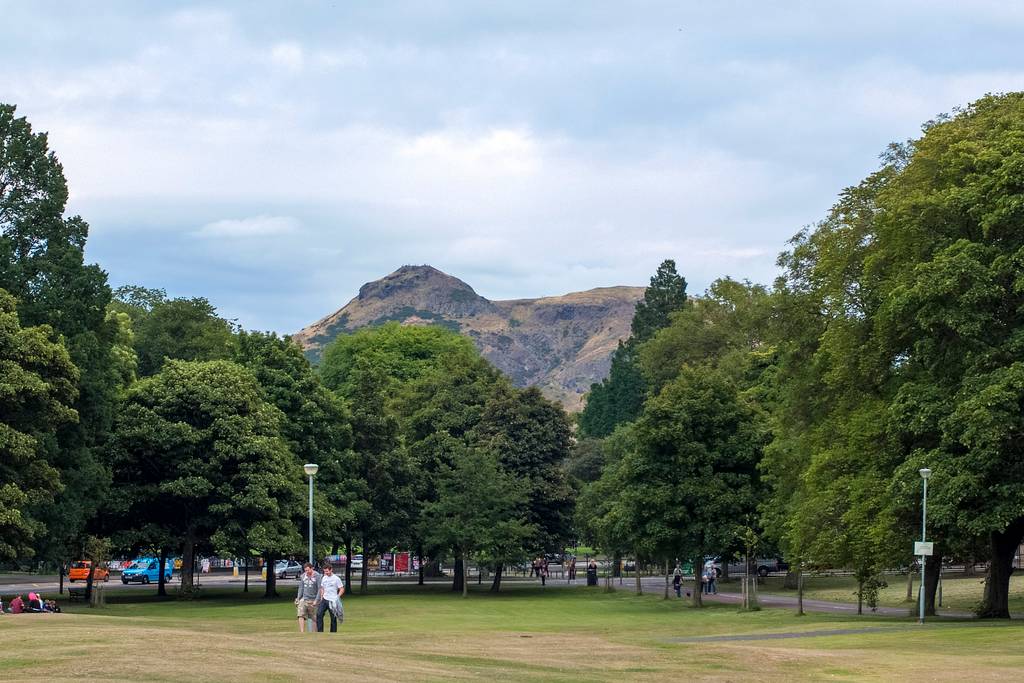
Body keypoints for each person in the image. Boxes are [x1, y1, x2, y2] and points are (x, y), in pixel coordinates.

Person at [316, 562, 344, 633]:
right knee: (319, 614)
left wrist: (337, 597)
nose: (326, 573)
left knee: (333, 617)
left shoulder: (336, 578)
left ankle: (333, 632)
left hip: (333, 600)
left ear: (331, 570)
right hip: (324, 599)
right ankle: (320, 632)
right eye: (325, 571)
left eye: (327, 571)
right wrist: (322, 596)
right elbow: (322, 588)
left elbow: (341, 589)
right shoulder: (324, 578)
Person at [294, 562, 320, 633]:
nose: (307, 572)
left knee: (314, 618)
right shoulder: (303, 576)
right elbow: (301, 588)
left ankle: (315, 633)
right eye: (305, 570)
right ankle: (302, 632)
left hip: (313, 599)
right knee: (300, 615)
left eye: (308, 570)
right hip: (304, 599)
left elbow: (320, 589)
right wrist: (298, 598)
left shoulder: (317, 576)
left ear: (312, 568)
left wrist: (316, 600)